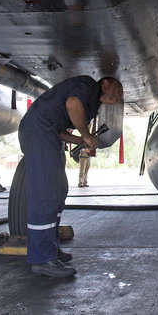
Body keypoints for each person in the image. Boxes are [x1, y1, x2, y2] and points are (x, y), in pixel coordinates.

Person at [19, 76, 123, 278]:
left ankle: (51, 248)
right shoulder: (87, 85)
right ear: (104, 84)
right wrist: (86, 134)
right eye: (118, 87)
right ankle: (42, 259)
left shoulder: (93, 105)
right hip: (38, 132)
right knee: (46, 194)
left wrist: (78, 139)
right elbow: (72, 103)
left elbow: (60, 129)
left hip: (49, 134)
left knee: (58, 192)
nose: (120, 94)